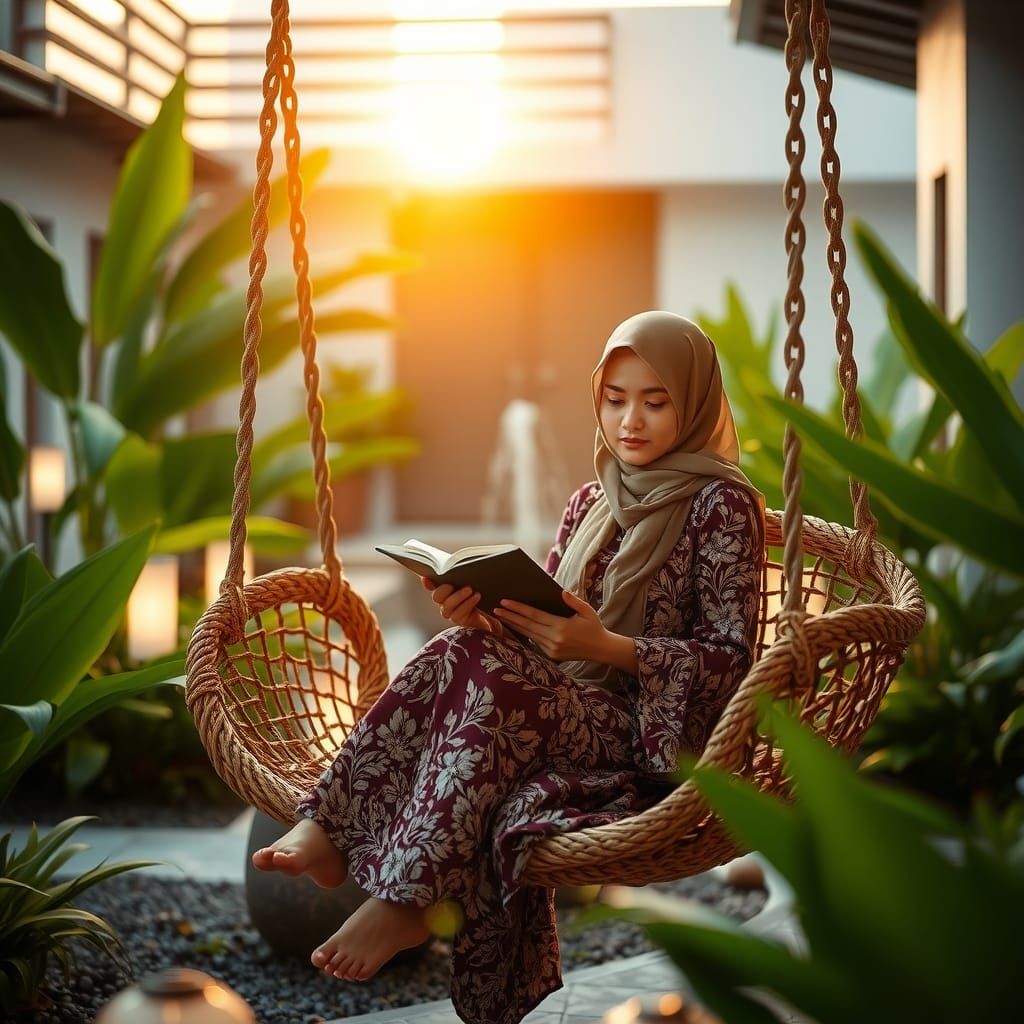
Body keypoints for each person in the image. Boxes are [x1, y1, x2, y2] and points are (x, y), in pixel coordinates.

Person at [252, 310, 765, 1024]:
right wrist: (482, 613)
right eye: (615, 399)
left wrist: (606, 649)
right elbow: (543, 623)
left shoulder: (723, 504)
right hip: (563, 707)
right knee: (459, 649)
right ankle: (330, 824)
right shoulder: (591, 501)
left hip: (649, 733)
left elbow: (734, 659)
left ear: (695, 401)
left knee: (495, 681)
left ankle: (407, 901)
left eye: (656, 401)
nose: (630, 421)